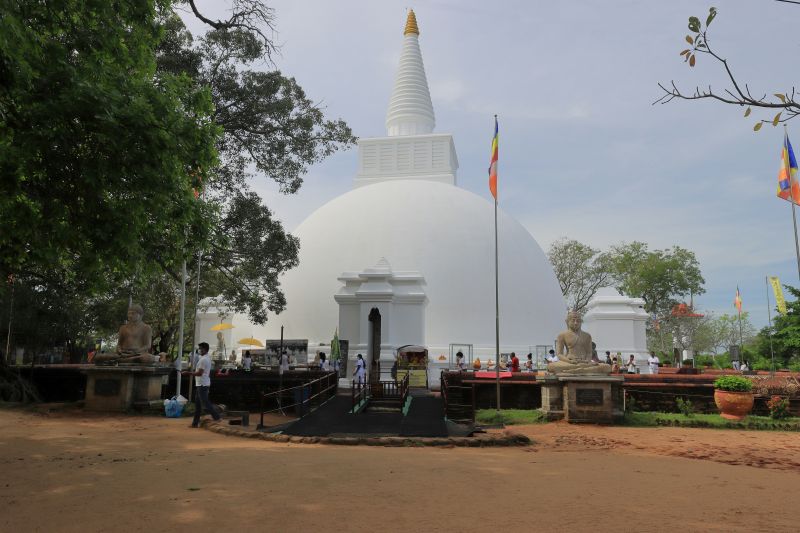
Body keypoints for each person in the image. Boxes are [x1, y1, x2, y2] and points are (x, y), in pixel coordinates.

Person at [190, 342, 221, 428]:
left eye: (200, 348)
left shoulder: (204, 359)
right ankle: (195, 423)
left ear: (204, 349)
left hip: (202, 384)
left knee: (205, 403)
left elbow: (199, 373)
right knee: (198, 405)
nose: (199, 350)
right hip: (201, 383)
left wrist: (189, 373)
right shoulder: (204, 358)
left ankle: (217, 416)